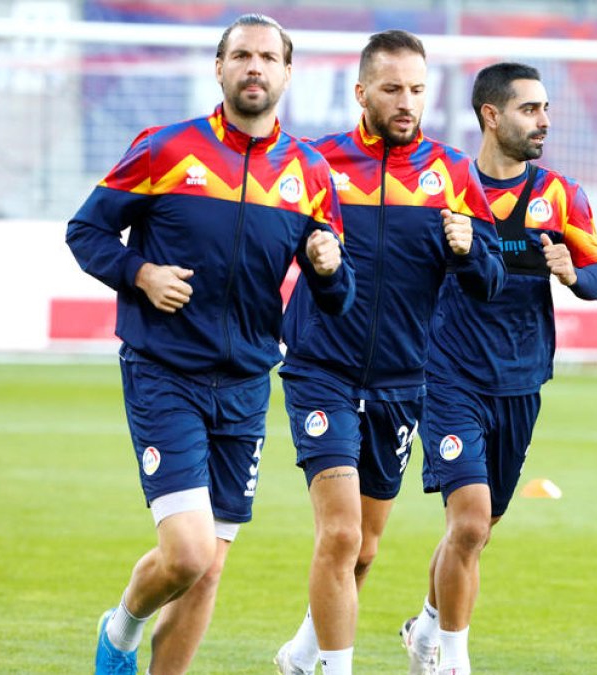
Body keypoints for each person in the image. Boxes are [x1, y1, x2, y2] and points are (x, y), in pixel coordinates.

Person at [66, 14, 354, 675]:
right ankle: (121, 629)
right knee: (190, 551)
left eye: (268, 58)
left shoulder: (311, 173)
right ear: (219, 68)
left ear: (287, 73)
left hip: (248, 383)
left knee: (209, 568)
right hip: (164, 371)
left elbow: (338, 296)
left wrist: (329, 267)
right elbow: (86, 232)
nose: (255, 67)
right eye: (241, 55)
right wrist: (141, 273)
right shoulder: (164, 149)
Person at [272, 30, 505, 675]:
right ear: (361, 92)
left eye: (417, 90)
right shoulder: (317, 163)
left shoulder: (451, 173)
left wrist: (468, 250)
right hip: (322, 371)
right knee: (341, 532)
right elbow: (265, 247)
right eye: (392, 89)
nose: (406, 102)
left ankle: (303, 654)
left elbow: (490, 281)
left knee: (365, 548)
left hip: (402, 383)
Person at [396, 62, 597, 675]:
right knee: (467, 523)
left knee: (478, 529)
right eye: (529, 109)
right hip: (448, 377)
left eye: (546, 109)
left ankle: (426, 628)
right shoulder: (445, 188)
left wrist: (574, 274)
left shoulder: (561, 195)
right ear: (491, 116)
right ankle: (454, 662)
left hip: (520, 380)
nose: (544, 121)